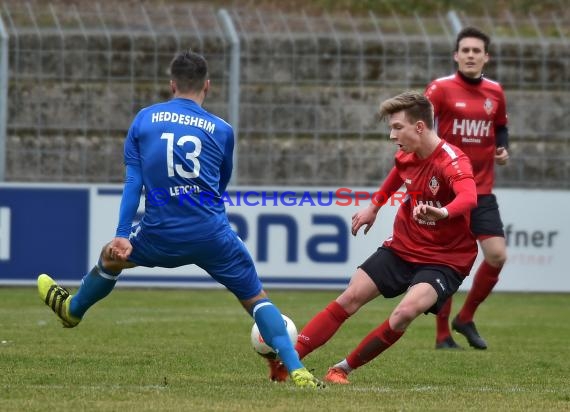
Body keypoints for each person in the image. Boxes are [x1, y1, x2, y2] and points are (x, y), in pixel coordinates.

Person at [37, 51, 323, 389]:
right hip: (212, 235)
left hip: (159, 236)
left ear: (172, 84)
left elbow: (134, 183)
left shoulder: (144, 120)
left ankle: (73, 310)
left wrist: (122, 235)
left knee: (108, 258)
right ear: (208, 86)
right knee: (257, 299)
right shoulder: (222, 129)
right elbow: (220, 184)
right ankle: (297, 369)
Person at [269, 91, 478, 384]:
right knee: (350, 297)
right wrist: (374, 207)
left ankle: (341, 369)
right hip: (404, 246)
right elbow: (397, 176)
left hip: (446, 259)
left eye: (397, 127)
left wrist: (442, 213)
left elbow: (469, 197)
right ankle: (289, 361)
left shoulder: (452, 161)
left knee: (404, 312)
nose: (392, 135)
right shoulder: (406, 155)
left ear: (419, 127)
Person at [425, 26, 509, 350]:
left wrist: (502, 149)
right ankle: (442, 334)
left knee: (497, 255)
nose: (471, 55)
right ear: (456, 55)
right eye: (466, 50)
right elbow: (421, 124)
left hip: (482, 190)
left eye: (477, 50)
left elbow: (500, 127)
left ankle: (466, 316)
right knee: (447, 262)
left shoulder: (495, 92)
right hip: (448, 191)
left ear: (486, 57)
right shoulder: (440, 89)